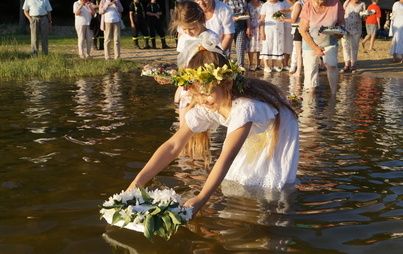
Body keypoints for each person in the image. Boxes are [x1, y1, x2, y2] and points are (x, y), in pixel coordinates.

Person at [126, 44, 299, 217]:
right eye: (196, 94)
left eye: (207, 93)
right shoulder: (207, 103)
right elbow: (173, 146)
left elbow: (227, 156)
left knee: (268, 186)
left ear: (228, 83)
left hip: (279, 130)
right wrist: (138, 181)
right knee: (237, 180)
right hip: (251, 125)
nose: (202, 100)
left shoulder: (244, 108)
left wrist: (201, 199)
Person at [172, 1, 221, 125]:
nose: (188, 32)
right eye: (184, 29)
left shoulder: (211, 37)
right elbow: (182, 61)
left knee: (204, 121)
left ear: (201, 21)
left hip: (204, 84)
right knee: (183, 121)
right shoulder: (183, 38)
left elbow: (214, 61)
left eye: (192, 28)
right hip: (188, 84)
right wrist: (176, 76)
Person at [299, 0, 345, 94]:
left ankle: (333, 94)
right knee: (311, 68)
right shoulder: (308, 6)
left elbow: (341, 22)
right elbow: (303, 30)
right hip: (310, 42)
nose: (319, 2)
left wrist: (340, 31)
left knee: (331, 65)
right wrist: (315, 48)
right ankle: (310, 95)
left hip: (330, 42)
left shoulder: (336, 3)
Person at [259, 0, 287, 72]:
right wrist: (262, 31)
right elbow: (262, 19)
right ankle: (266, 65)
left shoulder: (281, 4)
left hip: (279, 28)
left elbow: (283, 15)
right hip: (268, 29)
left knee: (277, 45)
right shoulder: (265, 5)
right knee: (267, 45)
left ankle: (274, 65)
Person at [339, 0, 366, 74]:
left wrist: (365, 16)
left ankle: (353, 66)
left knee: (354, 47)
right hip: (345, 28)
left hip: (356, 29)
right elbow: (341, 13)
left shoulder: (362, 4)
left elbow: (364, 18)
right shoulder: (347, 2)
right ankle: (346, 65)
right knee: (345, 46)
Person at [279, 0, 304, 76]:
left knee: (298, 50)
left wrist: (282, 19)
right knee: (298, 50)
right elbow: (289, 9)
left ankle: (296, 69)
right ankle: (295, 67)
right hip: (300, 28)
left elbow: (293, 20)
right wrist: (281, 11)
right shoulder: (299, 3)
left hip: (298, 29)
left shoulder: (299, 4)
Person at [224, 0, 251, 67]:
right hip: (229, 28)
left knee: (240, 48)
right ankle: (226, 67)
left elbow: (247, 14)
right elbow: (223, 14)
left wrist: (248, 27)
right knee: (227, 49)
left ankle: (240, 67)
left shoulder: (243, 1)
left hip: (241, 27)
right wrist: (231, 18)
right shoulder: (226, 1)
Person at [246, 0, 263, 71]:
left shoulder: (262, 4)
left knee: (260, 46)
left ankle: (258, 64)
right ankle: (250, 64)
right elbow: (247, 17)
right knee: (251, 46)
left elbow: (263, 17)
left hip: (260, 27)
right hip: (251, 27)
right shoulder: (248, 5)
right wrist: (248, 28)